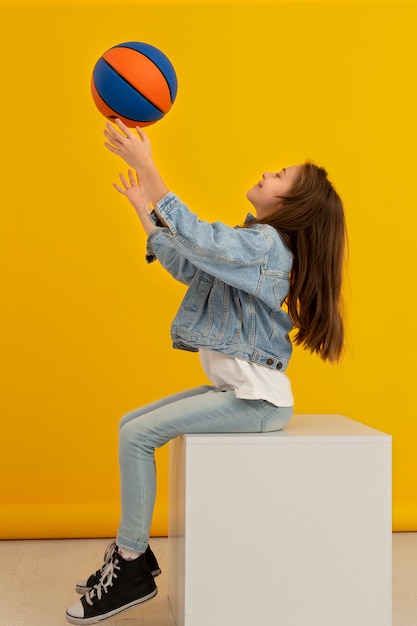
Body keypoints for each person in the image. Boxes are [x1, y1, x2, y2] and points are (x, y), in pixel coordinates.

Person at [65, 119, 347, 624]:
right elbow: (191, 264)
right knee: (131, 424)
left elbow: (198, 238)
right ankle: (136, 556)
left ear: (293, 203)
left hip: (256, 403)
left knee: (136, 437)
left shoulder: (265, 247)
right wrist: (146, 216)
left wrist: (149, 169)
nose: (267, 172)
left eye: (280, 174)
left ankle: (130, 563)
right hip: (240, 393)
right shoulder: (255, 245)